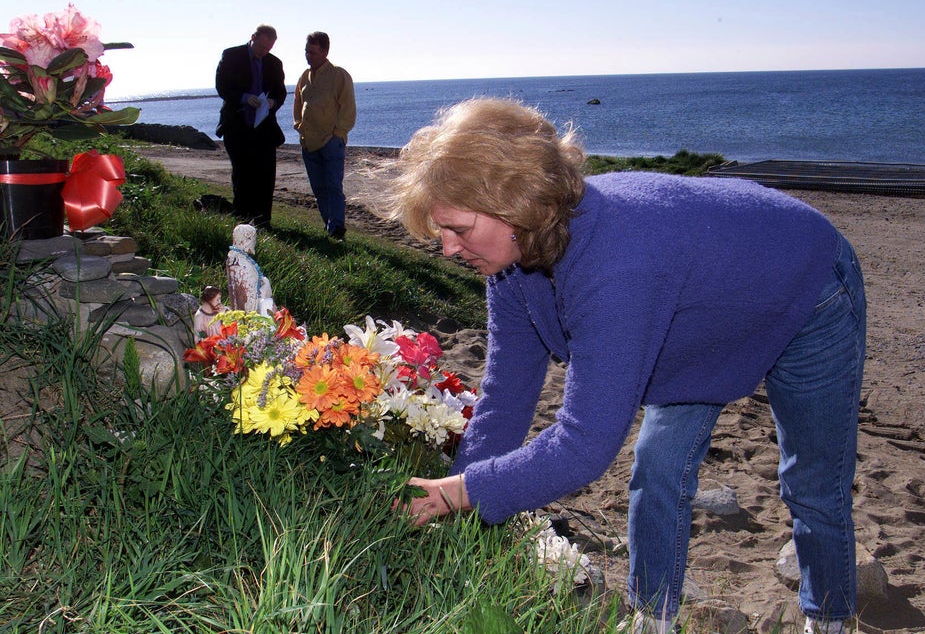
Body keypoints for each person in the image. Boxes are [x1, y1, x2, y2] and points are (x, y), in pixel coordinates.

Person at [385, 99, 865, 634]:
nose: (448, 249)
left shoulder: (615, 265)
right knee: (658, 466)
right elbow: (505, 399)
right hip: (696, 312)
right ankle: (653, 619)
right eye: (439, 232)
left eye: (457, 228)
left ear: (513, 202)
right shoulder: (511, 267)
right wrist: (453, 496)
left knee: (812, 481)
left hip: (805, 284)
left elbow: (583, 445)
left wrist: (464, 492)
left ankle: (829, 619)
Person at [215, 24, 287, 228]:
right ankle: (242, 220)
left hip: (264, 127)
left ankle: (263, 221)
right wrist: (245, 98)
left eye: (268, 49)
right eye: (261, 47)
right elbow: (222, 86)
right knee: (242, 174)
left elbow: (280, 92)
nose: (264, 52)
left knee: (265, 175)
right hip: (237, 124)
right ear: (253, 37)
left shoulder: (274, 63)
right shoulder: (231, 55)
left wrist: (272, 102)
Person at [293, 31, 356, 240]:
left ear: (325, 52)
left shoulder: (339, 75)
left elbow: (348, 109)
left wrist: (337, 134)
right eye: (306, 51)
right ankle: (329, 227)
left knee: (333, 187)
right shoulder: (304, 77)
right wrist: (299, 125)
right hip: (309, 143)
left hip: (331, 142)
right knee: (319, 189)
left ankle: (337, 228)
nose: (308, 56)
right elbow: (298, 104)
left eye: (312, 52)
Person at [226, 224, 275, 316]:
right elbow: (249, 299)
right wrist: (265, 289)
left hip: (239, 311)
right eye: (254, 239)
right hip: (249, 316)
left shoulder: (232, 257)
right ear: (247, 240)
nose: (255, 242)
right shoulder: (243, 264)